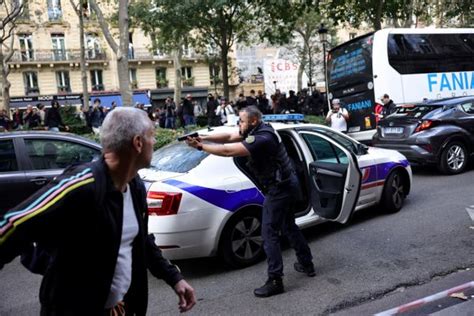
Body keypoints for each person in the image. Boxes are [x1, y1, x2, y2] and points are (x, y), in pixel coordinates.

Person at [0, 107, 196, 315]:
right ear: (138, 143)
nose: (154, 142)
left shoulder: (135, 185)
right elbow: (13, 224)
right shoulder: (81, 186)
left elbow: (140, 241)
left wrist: (174, 277)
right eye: (152, 136)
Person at [185, 106, 314, 298]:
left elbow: (229, 151)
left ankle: (275, 280)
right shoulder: (258, 129)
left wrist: (200, 147)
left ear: (253, 121)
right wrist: (203, 138)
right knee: (288, 226)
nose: (239, 124)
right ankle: (306, 263)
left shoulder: (261, 138)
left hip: (280, 189)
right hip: (286, 185)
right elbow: (229, 137)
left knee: (269, 233)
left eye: (242, 121)